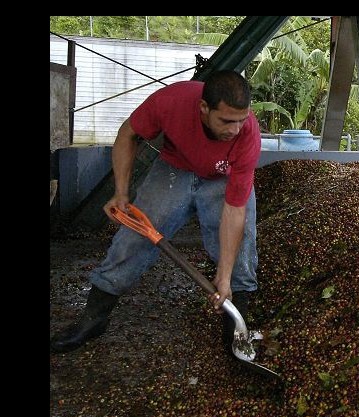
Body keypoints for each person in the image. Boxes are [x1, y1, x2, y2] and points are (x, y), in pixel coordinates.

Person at [50, 70, 261, 358]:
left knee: (242, 246)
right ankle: (93, 318)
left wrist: (223, 277)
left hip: (223, 178)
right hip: (175, 168)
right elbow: (128, 133)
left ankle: (235, 327)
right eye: (226, 121)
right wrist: (121, 192)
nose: (235, 129)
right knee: (133, 239)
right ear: (204, 109)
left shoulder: (247, 133)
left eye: (241, 120)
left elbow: (235, 211)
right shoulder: (171, 101)